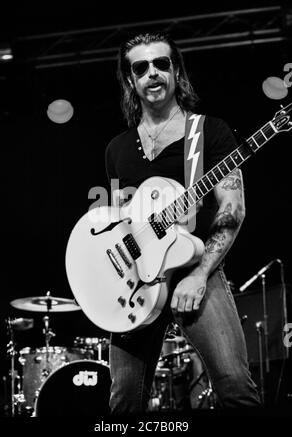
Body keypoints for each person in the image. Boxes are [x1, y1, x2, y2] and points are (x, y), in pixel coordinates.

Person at [105, 31, 261, 413]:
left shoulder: (210, 132)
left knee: (236, 388)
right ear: (131, 80)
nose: (152, 73)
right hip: (138, 280)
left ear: (176, 71)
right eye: (141, 67)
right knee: (124, 400)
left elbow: (231, 210)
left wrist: (199, 275)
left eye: (161, 64)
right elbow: (115, 221)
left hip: (196, 266)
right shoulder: (117, 149)